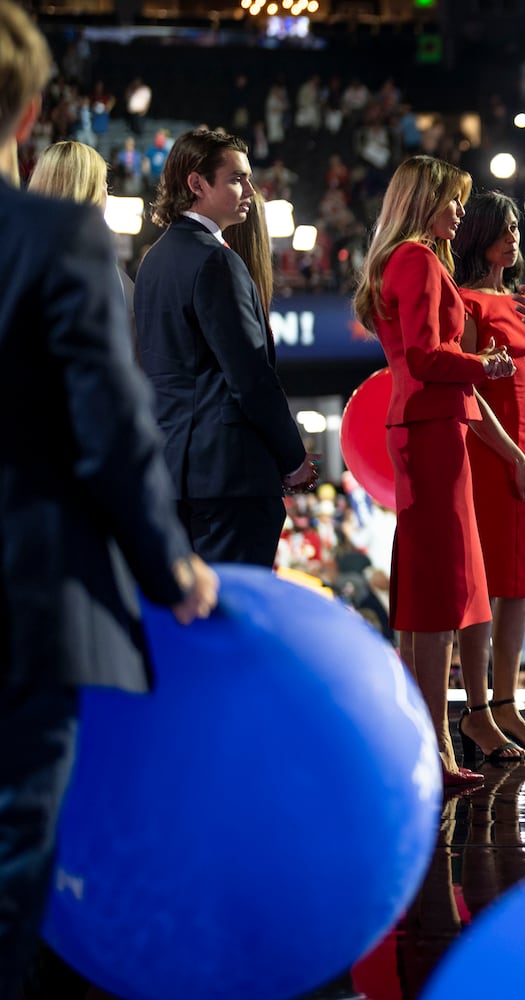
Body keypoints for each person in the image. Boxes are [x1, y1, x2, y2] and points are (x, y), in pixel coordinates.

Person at [0, 3, 218, 989]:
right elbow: (110, 428)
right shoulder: (51, 239)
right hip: (25, 605)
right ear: (28, 111)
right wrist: (168, 562)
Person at [353, 155, 520, 787]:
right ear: (423, 201)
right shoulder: (417, 260)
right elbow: (426, 358)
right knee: (438, 596)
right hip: (429, 433)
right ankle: (436, 749)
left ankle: (431, 744)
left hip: (425, 431)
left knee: (432, 594)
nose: (459, 211)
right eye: (451, 200)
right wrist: (485, 366)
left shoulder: (409, 260)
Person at [135, 127, 316, 566]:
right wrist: (293, 459)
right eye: (237, 178)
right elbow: (251, 377)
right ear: (196, 184)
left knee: (191, 624)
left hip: (175, 477)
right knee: (230, 623)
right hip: (229, 482)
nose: (251, 189)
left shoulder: (153, 259)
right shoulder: (216, 259)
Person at [451, 190, 525, 756]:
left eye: (518, 226)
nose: (515, 237)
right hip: (493, 459)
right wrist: (514, 456)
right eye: (505, 228)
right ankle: (476, 709)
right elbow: (468, 390)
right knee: (484, 587)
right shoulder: (466, 301)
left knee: (519, 588)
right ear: (481, 234)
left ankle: (508, 701)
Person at [25, 140, 131, 320]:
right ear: (91, 194)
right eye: (103, 184)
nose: (106, 193)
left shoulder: (16, 254)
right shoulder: (93, 268)